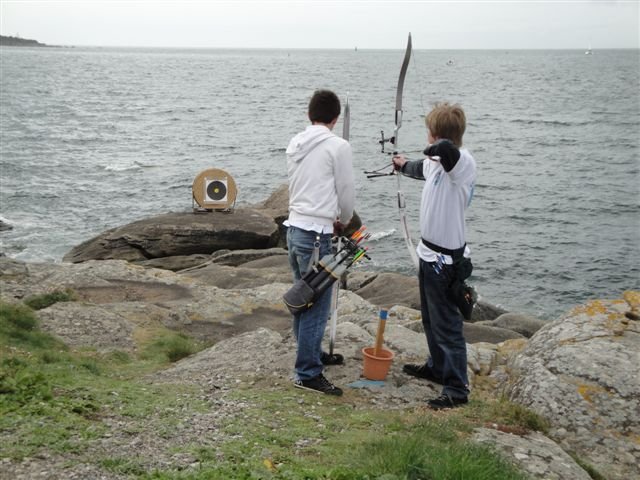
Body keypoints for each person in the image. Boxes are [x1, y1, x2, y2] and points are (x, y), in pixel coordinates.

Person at [391, 102, 477, 409]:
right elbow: (420, 168)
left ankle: (457, 389)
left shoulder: (461, 162)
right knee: (431, 318)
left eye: (430, 131)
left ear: (435, 133)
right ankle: (438, 368)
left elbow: (447, 152)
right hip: (428, 254)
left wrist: (436, 144)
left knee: (447, 325)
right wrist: (402, 164)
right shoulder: (436, 163)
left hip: (447, 261)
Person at [285, 89, 355, 396]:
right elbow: (346, 191)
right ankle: (308, 373)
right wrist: (345, 219)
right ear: (335, 119)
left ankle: (309, 355)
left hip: (295, 230)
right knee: (316, 306)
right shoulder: (337, 146)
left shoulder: (295, 142)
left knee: (303, 298)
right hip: (317, 235)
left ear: (309, 114)